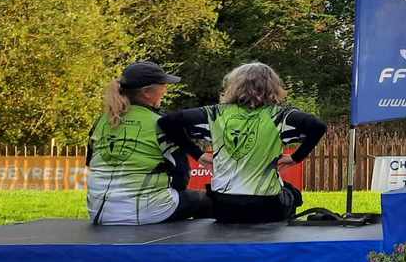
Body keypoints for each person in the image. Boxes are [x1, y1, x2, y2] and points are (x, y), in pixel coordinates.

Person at [158, 63, 326, 224]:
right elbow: (317, 126)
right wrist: (295, 158)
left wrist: (198, 155)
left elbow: (167, 122)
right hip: (266, 208)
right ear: (273, 88)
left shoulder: (215, 113)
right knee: (293, 194)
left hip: (223, 208)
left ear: (234, 86)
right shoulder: (280, 115)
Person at [87, 61, 212, 225]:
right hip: (142, 213)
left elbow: (90, 162)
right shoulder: (160, 123)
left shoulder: (102, 120)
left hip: (98, 212)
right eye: (163, 86)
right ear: (146, 92)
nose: (165, 90)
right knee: (206, 200)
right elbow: (181, 175)